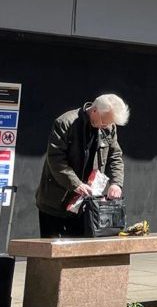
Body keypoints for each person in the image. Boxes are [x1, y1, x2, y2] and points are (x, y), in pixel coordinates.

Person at [35, 94, 130, 237]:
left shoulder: (109, 128)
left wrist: (116, 183)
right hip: (55, 203)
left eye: (110, 123)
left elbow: (115, 156)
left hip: (86, 205)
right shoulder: (65, 123)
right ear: (94, 110)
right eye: (105, 121)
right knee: (54, 252)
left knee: (81, 251)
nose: (107, 126)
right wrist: (76, 184)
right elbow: (56, 160)